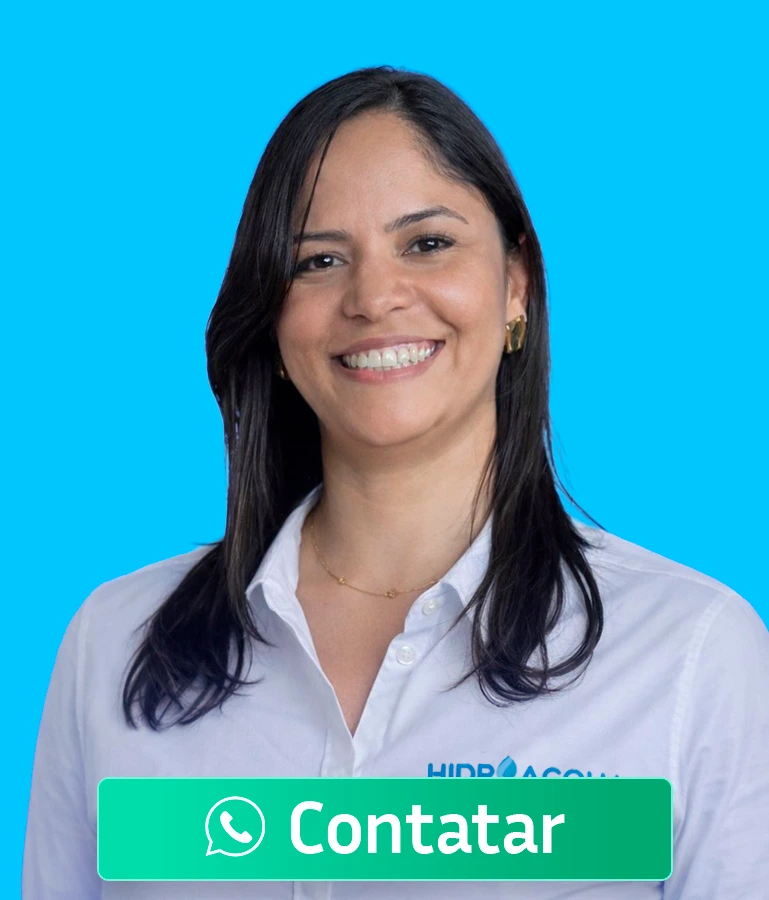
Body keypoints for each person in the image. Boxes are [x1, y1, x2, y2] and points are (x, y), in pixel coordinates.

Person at [23, 65, 769, 899]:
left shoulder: (688, 654)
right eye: (318, 260)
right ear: (273, 321)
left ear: (515, 284)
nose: (374, 298)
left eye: (427, 243)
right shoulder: (116, 644)